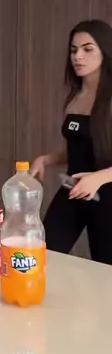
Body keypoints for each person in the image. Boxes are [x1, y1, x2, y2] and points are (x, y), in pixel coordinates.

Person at [31, 20, 112, 264]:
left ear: (105, 52)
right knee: (43, 253)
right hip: (73, 189)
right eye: (74, 50)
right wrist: (47, 159)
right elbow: (81, 149)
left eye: (88, 49)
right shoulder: (76, 97)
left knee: (106, 269)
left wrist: (98, 178)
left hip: (106, 195)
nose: (78, 56)